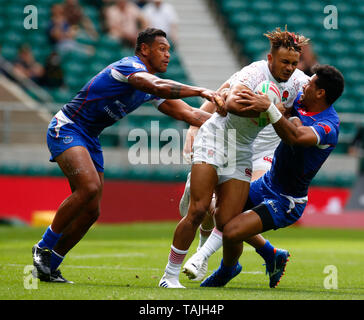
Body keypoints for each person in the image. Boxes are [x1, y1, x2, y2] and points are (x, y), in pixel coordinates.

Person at [32, 28, 222, 283]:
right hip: (67, 127)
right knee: (88, 188)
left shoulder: (150, 86)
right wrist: (200, 90)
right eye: (162, 49)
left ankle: (50, 265)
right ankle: (43, 248)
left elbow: (191, 114)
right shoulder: (128, 68)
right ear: (144, 49)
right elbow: (156, 85)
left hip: (89, 138)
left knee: (92, 211)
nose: (168, 55)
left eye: (169, 50)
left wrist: (237, 127)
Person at [159, 27, 310, 288]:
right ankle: (170, 275)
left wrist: (276, 108)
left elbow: (320, 98)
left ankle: (223, 260)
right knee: (198, 209)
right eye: (284, 62)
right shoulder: (253, 72)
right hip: (217, 139)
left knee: (229, 221)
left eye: (294, 63)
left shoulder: (300, 82)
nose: (289, 68)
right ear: (270, 58)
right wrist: (265, 106)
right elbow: (228, 101)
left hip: (248, 150)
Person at [200, 64, 344, 288]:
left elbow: (295, 137)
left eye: (310, 83)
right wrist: (230, 94)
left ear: (320, 93)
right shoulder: (300, 102)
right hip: (266, 183)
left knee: (230, 232)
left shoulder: (328, 126)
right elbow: (280, 111)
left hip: (286, 200)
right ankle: (272, 254)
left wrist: (271, 109)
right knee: (220, 211)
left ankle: (227, 270)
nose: (304, 85)